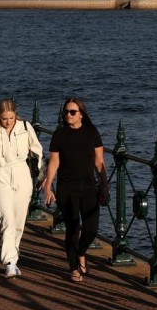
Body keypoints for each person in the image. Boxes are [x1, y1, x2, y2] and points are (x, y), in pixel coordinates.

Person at [42, 97, 108, 283]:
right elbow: (54, 163)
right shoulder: (59, 135)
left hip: (88, 187)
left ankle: (81, 253)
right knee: (72, 228)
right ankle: (74, 268)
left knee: (91, 229)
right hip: (66, 189)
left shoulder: (91, 132)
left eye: (72, 112)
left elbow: (99, 162)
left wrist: (105, 186)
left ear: (81, 114)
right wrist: (48, 187)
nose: (68, 115)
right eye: (66, 112)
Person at [0, 99, 44, 279]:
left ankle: (13, 255)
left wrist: (41, 176)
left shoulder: (25, 127)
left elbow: (37, 150)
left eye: (11, 118)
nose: (8, 122)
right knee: (6, 219)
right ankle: (10, 262)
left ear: (16, 115)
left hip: (22, 175)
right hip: (1, 176)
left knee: (19, 221)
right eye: (4, 119)